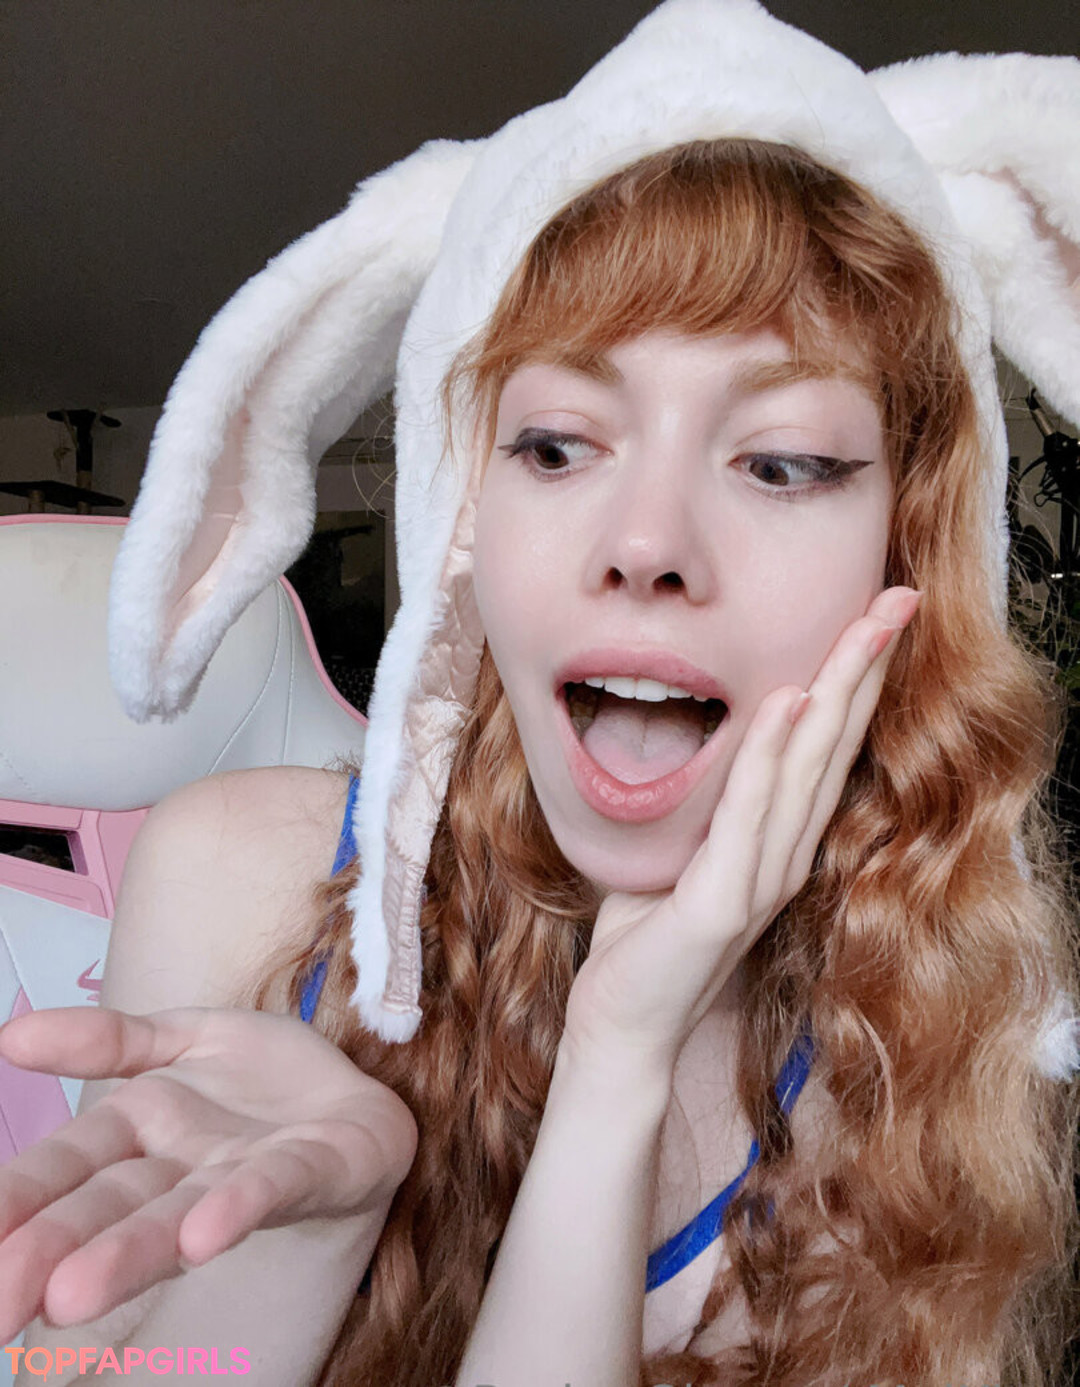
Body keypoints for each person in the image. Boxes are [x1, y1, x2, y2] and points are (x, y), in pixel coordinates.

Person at [3, 5, 1080, 1386]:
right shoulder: (233, 884)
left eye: (783, 462)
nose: (647, 541)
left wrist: (618, 1057)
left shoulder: (948, 1019)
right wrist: (295, 1247)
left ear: (911, 553)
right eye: (558, 445)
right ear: (463, 522)